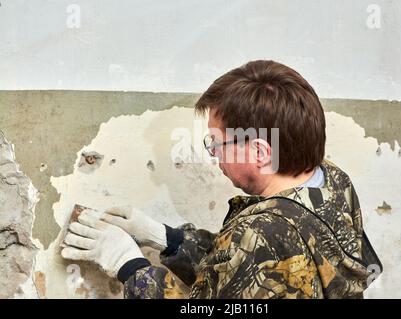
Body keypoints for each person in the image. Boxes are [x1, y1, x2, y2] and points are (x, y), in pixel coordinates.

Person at [61, 60, 382, 299]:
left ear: (258, 151)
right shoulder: (331, 178)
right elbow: (248, 268)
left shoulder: (261, 231)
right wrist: (168, 239)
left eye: (217, 143)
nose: (213, 154)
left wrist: (127, 265)